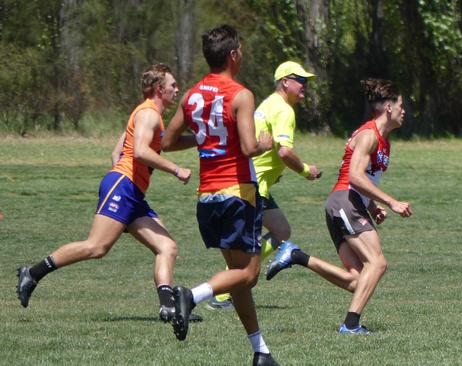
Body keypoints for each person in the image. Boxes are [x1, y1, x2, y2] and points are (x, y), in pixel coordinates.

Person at [16, 63, 198, 322]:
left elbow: (118, 152)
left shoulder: (146, 114)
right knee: (96, 247)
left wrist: (201, 139)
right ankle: (31, 274)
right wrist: (175, 170)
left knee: (167, 247)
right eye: (173, 85)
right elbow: (140, 152)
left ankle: (169, 309)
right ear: (160, 89)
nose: (176, 89)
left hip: (129, 190)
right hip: (124, 187)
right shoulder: (148, 114)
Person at [161, 25, 280, 366]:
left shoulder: (193, 94)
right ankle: (190, 295)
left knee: (238, 276)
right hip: (237, 193)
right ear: (232, 55)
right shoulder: (240, 94)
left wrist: (205, 140)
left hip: (208, 195)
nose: (241, 54)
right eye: (240, 50)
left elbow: (167, 141)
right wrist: (265, 144)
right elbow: (247, 147)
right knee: (250, 275)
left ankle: (261, 351)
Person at [265, 78, 413, 334]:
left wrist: (373, 204)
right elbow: (354, 176)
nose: (404, 111)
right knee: (377, 263)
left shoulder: (384, 139)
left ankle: (296, 255)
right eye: (401, 105)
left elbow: (365, 176)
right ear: (388, 107)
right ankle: (351, 325)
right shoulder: (369, 135)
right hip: (345, 201)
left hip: (347, 203)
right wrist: (391, 201)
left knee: (358, 280)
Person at [205, 60, 320, 311]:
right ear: (284, 82)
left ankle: (228, 290)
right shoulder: (284, 110)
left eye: (306, 82)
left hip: (255, 182)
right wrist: (305, 171)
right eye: (299, 81)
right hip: (253, 185)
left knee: (281, 231)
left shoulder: (268, 103)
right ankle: (222, 295)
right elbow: (285, 152)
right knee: (249, 246)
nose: (304, 86)